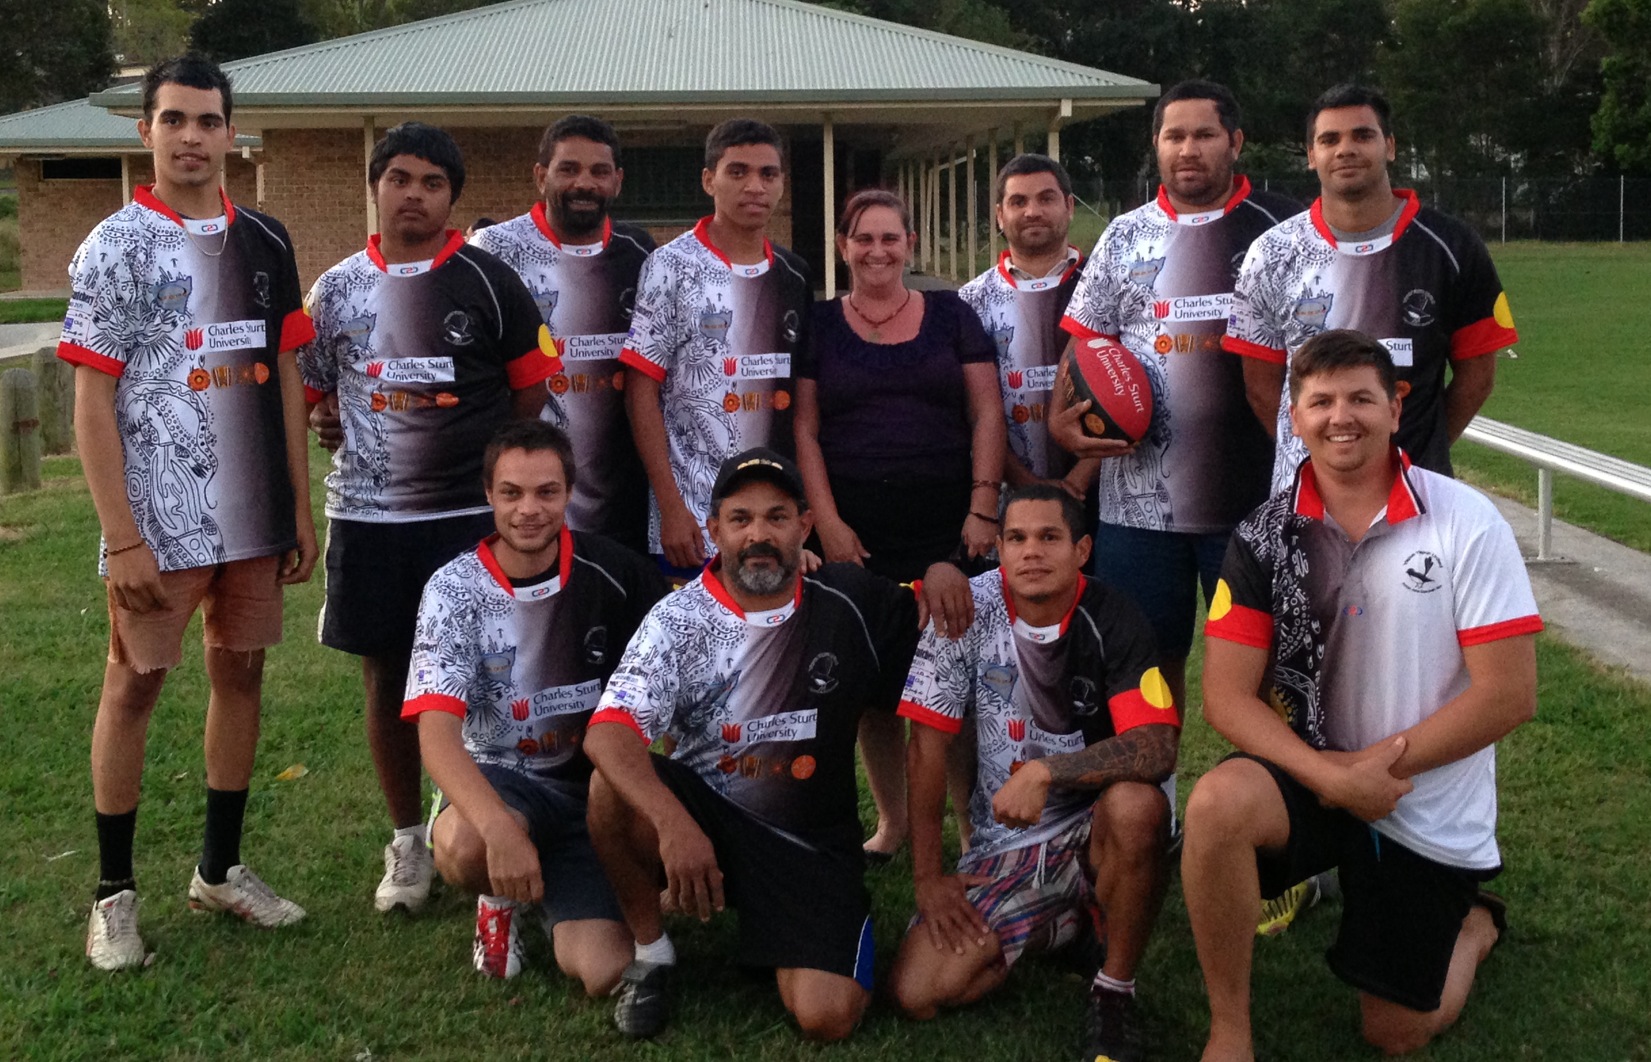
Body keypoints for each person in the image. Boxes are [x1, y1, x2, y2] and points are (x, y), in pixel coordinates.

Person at [1184, 330, 1540, 1060]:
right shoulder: (1262, 533)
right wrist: (1331, 776)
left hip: (1417, 797)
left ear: (1395, 406)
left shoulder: (1466, 521)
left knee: (1395, 1033)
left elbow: (1507, 696)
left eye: (1360, 399)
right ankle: (1229, 1030)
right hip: (1312, 778)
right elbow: (1225, 696)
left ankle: (1474, 924)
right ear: (1294, 415)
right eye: (1320, 402)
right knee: (1216, 806)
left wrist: (1371, 771)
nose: (1339, 417)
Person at [59, 55, 317, 970]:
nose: (192, 137)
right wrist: (121, 536)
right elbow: (92, 402)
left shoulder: (266, 241)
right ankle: (113, 895)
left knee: (240, 676)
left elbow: (287, 376)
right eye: (174, 120)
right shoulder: (113, 245)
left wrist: (298, 510)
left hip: (252, 517)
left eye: (209, 121)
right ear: (147, 132)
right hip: (158, 523)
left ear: (231, 134)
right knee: (132, 687)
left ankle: (218, 868)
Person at [582, 448, 970, 1042]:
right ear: (715, 529)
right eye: (740, 519)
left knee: (828, 1016)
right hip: (706, 823)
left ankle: (789, 932)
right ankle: (652, 954)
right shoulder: (676, 619)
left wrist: (943, 572)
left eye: (777, 517)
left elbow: (931, 610)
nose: (758, 535)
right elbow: (607, 732)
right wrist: (674, 826)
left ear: (805, 526)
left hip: (808, 846)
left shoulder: (849, 601)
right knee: (608, 787)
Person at [301, 121, 561, 915]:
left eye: (431, 183)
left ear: (452, 197)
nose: (413, 195)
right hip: (370, 519)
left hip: (467, 520)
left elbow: (530, 391)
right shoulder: (335, 289)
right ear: (375, 186)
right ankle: (407, 838)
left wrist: (485, 472)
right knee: (388, 676)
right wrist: (329, 420)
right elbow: (313, 393)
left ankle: (484, 822)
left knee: (490, 673)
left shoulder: (488, 279)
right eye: (399, 179)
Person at [890, 484, 1180, 1062]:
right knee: (918, 990)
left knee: (1138, 806)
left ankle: (1114, 991)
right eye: (1017, 538)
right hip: (1007, 841)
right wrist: (928, 878)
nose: (1031, 552)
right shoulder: (964, 609)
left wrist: (1047, 770)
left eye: (1050, 537)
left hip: (1096, 828)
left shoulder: (1114, 614)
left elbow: (1156, 748)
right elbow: (925, 749)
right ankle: (1069, 925)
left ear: (1082, 550)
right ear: (998, 547)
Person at [1050, 79, 1300, 722]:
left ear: (1235, 142)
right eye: (1174, 135)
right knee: (1147, 666)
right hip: (1139, 507)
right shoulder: (1125, 235)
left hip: (1257, 500)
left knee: (1266, 665)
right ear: (1156, 144)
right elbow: (1085, 341)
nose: (1188, 149)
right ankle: (1153, 785)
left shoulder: (1285, 231)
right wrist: (1060, 417)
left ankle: (1270, 785)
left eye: (1204, 134)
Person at [403, 420, 666, 989]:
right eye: (512, 493)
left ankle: (547, 884)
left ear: (569, 492)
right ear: (489, 495)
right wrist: (499, 829)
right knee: (468, 845)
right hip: (500, 782)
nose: (529, 510)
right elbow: (436, 737)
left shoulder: (617, 574)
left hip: (591, 794)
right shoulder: (452, 589)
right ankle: (497, 898)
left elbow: (698, 622)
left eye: (546, 492)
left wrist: (795, 569)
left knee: (605, 971)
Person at [794, 187, 1006, 860]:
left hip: (950, 531)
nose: (877, 250)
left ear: (909, 244)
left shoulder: (951, 315)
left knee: (956, 683)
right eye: (864, 238)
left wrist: (983, 507)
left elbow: (987, 413)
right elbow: (804, 430)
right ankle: (895, 823)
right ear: (843, 246)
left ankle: (970, 827)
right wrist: (826, 523)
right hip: (856, 535)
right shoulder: (819, 324)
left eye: (890, 238)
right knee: (872, 685)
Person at [1225, 84, 1518, 496]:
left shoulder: (1452, 245)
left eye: (1362, 135)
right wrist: (1325, 450)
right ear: (1311, 155)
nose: (1345, 149)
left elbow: (1478, 377)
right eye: (1329, 139)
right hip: (1306, 495)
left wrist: (1422, 448)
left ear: (1390, 146)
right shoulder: (1270, 252)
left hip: (1415, 492)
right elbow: (1261, 386)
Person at [620, 118, 812, 580]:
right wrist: (670, 506)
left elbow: (803, 404)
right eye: (738, 171)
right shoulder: (669, 266)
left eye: (768, 174)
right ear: (709, 180)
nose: (755, 186)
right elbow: (641, 391)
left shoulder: (793, 274)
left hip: (775, 526)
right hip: (692, 519)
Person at [471, 115, 656, 553]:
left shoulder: (641, 254)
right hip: (524, 494)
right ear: (541, 176)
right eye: (568, 169)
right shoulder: (492, 251)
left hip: (621, 496)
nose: (584, 183)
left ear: (618, 181)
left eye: (599, 171)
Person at [958, 154, 1097, 502]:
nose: (1032, 212)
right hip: (1009, 500)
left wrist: (1078, 482)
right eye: (1018, 202)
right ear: (999, 215)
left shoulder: (1104, 283)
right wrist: (1026, 483)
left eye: (1046, 199)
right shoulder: (970, 301)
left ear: (1069, 206)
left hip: (1104, 495)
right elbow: (972, 411)